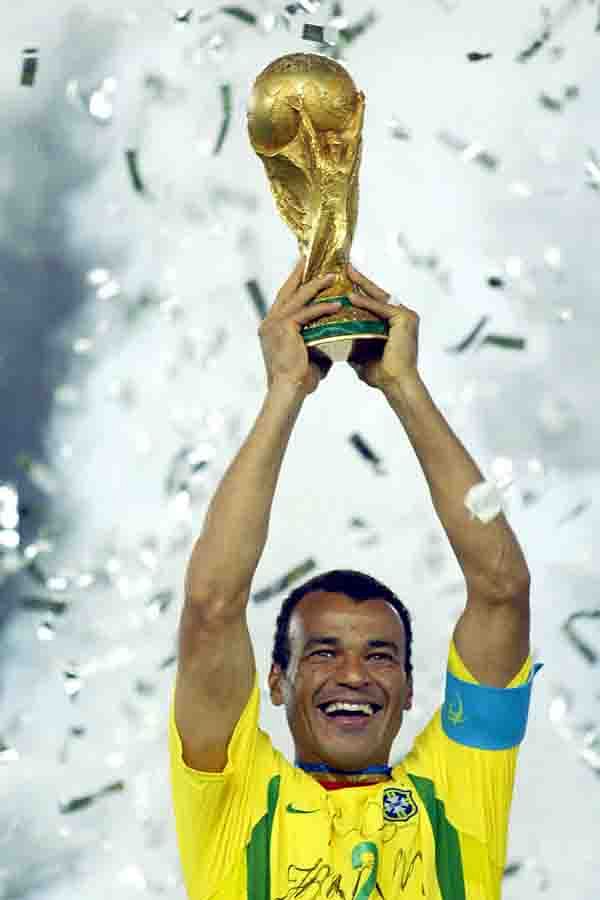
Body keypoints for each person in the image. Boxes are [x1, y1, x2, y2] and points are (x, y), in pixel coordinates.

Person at [168, 257, 542, 899]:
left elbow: (502, 591)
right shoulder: (236, 797)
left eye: (379, 656)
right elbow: (211, 609)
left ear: (409, 688)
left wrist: (403, 385)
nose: (353, 674)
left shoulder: (459, 792)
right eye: (322, 652)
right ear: (277, 683)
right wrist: (286, 389)